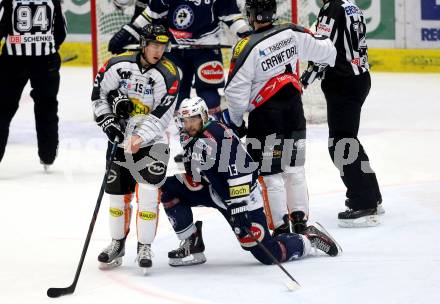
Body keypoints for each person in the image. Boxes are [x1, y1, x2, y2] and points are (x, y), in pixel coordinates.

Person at [160, 96, 340, 267]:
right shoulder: (190, 136)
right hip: (217, 192)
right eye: (185, 120)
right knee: (169, 188)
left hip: (244, 197)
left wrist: (239, 207)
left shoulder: (217, 136)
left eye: (193, 119)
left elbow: (241, 171)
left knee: (269, 254)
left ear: (204, 116)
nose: (189, 124)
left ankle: (309, 240)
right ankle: (192, 244)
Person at [223, 0, 336, 236]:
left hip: (266, 118)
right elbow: (328, 51)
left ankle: (282, 228)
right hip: (294, 111)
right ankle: (301, 222)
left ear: (251, 14)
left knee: (271, 175)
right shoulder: (291, 31)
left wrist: (235, 120)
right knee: (295, 170)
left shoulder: (246, 45)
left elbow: (235, 92)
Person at [107, 0, 252, 162]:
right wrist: (128, 32)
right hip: (175, 51)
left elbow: (231, 16)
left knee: (209, 98)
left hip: (207, 50)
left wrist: (247, 35)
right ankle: (190, 147)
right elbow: (151, 14)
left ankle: (216, 146)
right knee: (178, 98)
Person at [91, 24, 180, 271]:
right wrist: (108, 123)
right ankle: (117, 244)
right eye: (153, 45)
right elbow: (98, 95)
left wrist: (138, 137)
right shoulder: (117, 65)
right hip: (121, 140)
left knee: (149, 195)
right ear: (142, 44)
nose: (158, 51)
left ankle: (144, 245)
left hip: (153, 142)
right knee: (118, 197)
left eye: (162, 46)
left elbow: (162, 116)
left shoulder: (170, 74)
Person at [300, 0, 383, 228]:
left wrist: (305, 79)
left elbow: (323, 48)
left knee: (340, 143)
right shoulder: (351, 6)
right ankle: (371, 193)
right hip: (359, 77)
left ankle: (363, 202)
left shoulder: (332, 8)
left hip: (343, 82)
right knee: (348, 139)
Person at [0, 0, 66, 169]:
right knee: (47, 106)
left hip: (13, 62)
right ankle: (48, 155)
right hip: (46, 62)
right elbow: (61, 32)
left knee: (3, 108)